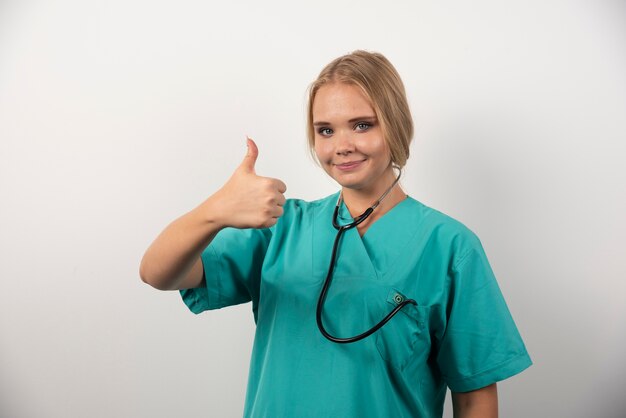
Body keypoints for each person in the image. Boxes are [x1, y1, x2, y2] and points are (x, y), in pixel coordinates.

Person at [140, 50, 532, 418]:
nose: (342, 146)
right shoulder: (281, 228)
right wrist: (215, 212)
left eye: (362, 125)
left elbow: (475, 395)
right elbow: (157, 272)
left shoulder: (449, 246)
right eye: (325, 130)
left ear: (396, 124)